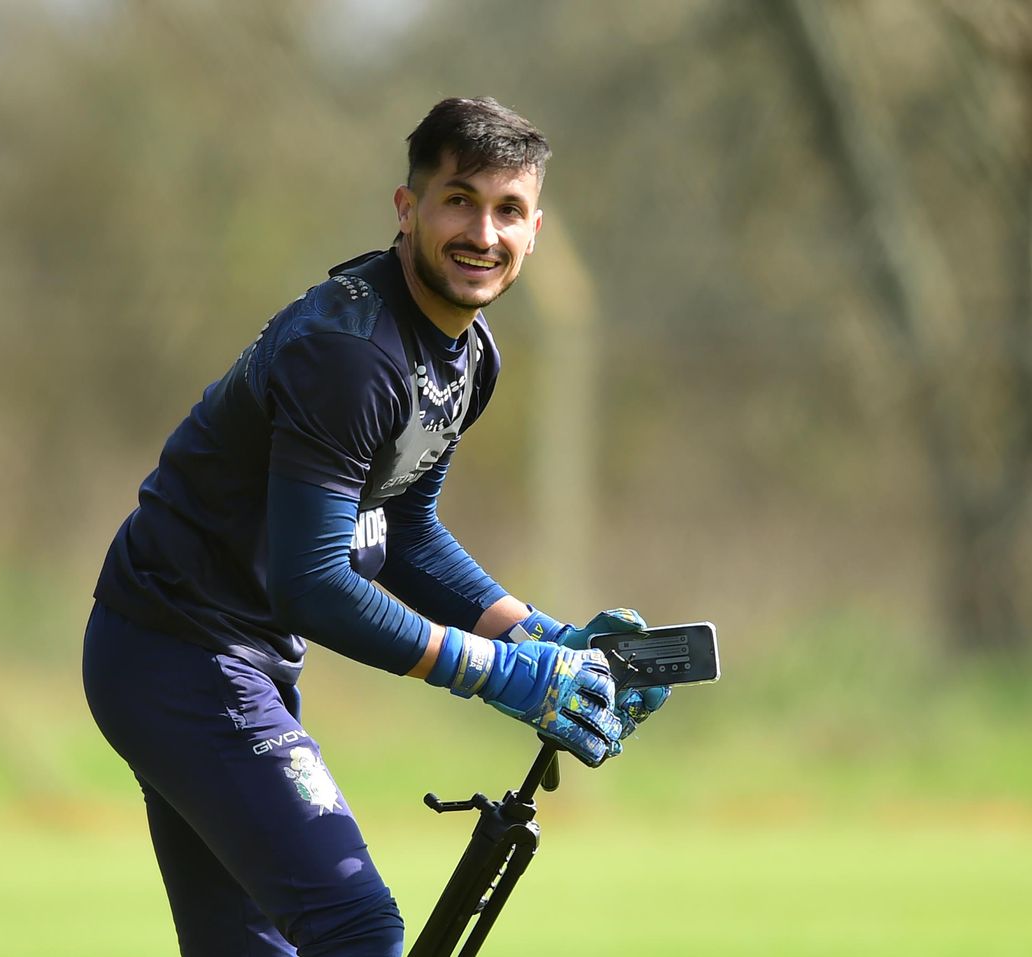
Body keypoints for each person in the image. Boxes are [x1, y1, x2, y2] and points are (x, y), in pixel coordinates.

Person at [83, 96, 670, 957]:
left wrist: (548, 638)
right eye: (458, 200)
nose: (483, 232)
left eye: (508, 210)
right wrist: (503, 674)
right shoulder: (351, 355)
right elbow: (314, 582)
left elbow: (404, 533)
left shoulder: (470, 356)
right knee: (357, 927)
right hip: (181, 654)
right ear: (408, 210)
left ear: (535, 229)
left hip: (208, 655)